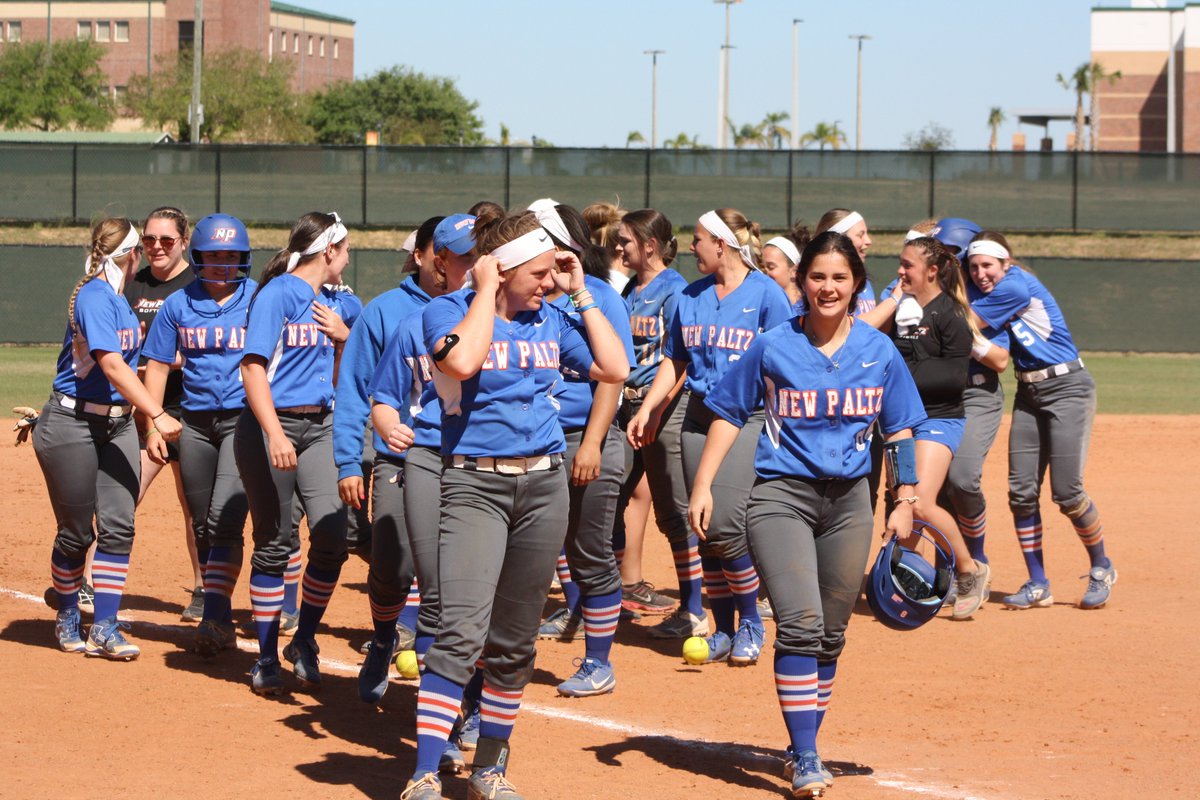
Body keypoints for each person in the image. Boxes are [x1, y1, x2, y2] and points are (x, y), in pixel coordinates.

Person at [686, 231, 926, 797]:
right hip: (781, 497)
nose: (828, 287)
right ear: (801, 282)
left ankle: (800, 744)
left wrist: (905, 498)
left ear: (857, 285)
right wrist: (703, 484)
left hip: (849, 504)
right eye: (818, 276)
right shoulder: (773, 346)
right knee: (800, 623)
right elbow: (726, 412)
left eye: (840, 278)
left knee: (832, 634)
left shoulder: (877, 349)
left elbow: (900, 429)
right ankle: (809, 756)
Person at [400, 210, 629, 800]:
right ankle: (424, 772)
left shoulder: (555, 316)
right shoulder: (444, 311)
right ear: (500, 271)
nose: (549, 281)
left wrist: (582, 294)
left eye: (554, 271)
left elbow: (614, 367)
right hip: (474, 485)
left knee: (514, 642)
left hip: (543, 486)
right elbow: (461, 362)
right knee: (461, 631)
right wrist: (482, 292)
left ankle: (489, 770)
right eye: (540, 272)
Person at [628, 208, 792, 663]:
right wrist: (650, 406)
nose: (692, 246)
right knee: (701, 526)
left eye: (698, 238)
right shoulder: (690, 296)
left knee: (722, 521)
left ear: (721, 244)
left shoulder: (766, 295)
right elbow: (675, 362)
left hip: (750, 417)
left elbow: (789, 356)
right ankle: (723, 629)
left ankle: (751, 620)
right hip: (698, 416)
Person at [35, 218, 183, 659]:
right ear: (130, 253)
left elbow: (127, 366)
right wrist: (157, 413)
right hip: (71, 424)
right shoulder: (96, 296)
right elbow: (111, 366)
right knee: (77, 534)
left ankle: (104, 627)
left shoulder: (119, 300)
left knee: (119, 525)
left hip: (117, 425)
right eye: (140, 250)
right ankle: (66, 612)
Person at [371, 212, 479, 775]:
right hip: (427, 460)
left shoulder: (515, 322)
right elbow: (385, 396)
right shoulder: (414, 324)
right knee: (436, 589)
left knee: (482, 599)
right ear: (440, 260)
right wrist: (387, 425)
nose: (474, 264)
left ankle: (473, 704)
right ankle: (454, 717)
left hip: (486, 467)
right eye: (464, 255)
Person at [964, 232, 1116, 609]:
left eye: (988, 266)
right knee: (1021, 492)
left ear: (1006, 263)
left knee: (1067, 492)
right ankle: (1038, 583)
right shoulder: (990, 290)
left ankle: (1102, 566)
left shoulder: (1014, 286)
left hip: (1067, 387)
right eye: (974, 267)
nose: (981, 273)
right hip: (1029, 394)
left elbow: (965, 320)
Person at [234, 211, 351, 695]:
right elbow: (253, 368)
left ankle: (303, 639)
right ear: (327, 252)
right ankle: (265, 657)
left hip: (320, 426)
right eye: (344, 249)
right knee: (274, 542)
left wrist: (345, 341)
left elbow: (341, 382)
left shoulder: (331, 303)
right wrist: (275, 434)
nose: (347, 258)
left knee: (332, 535)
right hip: (271, 426)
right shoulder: (277, 294)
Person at [529, 200, 636, 698]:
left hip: (585, 440)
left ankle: (599, 662)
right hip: (539, 443)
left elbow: (614, 378)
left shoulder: (597, 298)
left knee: (590, 552)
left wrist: (592, 443)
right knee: (549, 551)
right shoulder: (527, 299)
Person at [336, 214, 442, 705]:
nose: (446, 263)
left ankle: (445, 696)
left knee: (447, 576)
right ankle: (383, 637)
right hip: (397, 459)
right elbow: (356, 390)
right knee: (392, 565)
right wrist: (348, 461)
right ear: (418, 256)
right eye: (437, 252)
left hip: (460, 462)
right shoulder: (385, 312)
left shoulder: (484, 311)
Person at [858, 236, 993, 619]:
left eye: (907, 265)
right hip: (901, 420)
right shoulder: (903, 309)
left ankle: (969, 571)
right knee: (901, 500)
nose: (900, 272)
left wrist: (904, 366)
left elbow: (951, 377)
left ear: (932, 271)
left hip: (939, 418)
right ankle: (908, 570)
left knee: (921, 502)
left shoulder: (950, 313)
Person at [141, 213, 256, 656]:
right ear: (199, 256)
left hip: (241, 423)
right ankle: (220, 613)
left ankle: (214, 615)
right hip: (194, 423)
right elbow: (155, 363)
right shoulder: (178, 303)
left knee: (226, 518)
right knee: (202, 521)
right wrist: (153, 420)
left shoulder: (257, 300)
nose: (223, 264)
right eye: (214, 255)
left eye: (231, 256)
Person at [607, 208, 697, 636]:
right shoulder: (629, 288)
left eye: (625, 240)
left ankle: (692, 608)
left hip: (661, 410)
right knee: (608, 499)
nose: (618, 247)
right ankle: (610, 599)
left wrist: (656, 411)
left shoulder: (675, 291)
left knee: (673, 511)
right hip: (629, 409)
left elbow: (679, 362)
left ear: (650, 246)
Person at [125, 206, 205, 621]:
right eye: (149, 240)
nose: (156, 247)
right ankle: (88, 582)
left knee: (194, 508)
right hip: (140, 413)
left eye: (166, 240)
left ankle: (202, 589)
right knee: (121, 498)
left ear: (184, 242)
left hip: (188, 411)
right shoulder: (132, 286)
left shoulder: (199, 285)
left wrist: (170, 360)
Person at [761, 223, 811, 311]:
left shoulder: (807, 313)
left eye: (771, 267)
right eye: (762, 267)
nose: (764, 273)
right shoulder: (766, 308)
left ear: (795, 270)